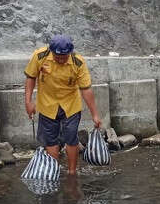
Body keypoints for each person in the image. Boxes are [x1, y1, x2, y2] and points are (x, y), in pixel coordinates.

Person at [24, 35, 102, 174]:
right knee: (50, 140)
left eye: (64, 57)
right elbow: (31, 77)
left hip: (70, 105)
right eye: (57, 57)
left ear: (70, 52)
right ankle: (54, 171)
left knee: (71, 137)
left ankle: (72, 172)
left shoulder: (78, 62)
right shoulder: (40, 56)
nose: (60, 60)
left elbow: (86, 89)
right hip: (47, 104)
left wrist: (94, 114)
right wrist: (28, 102)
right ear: (51, 51)